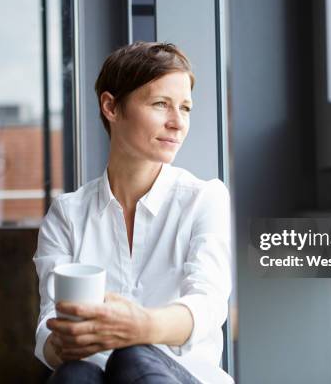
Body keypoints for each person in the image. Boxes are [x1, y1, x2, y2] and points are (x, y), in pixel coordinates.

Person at [33, 41, 233, 384]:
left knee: (132, 356)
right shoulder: (67, 215)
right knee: (74, 374)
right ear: (111, 107)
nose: (177, 123)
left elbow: (209, 303)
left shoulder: (204, 198)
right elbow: (49, 328)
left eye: (185, 108)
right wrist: (64, 342)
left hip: (182, 377)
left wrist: (139, 327)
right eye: (161, 104)